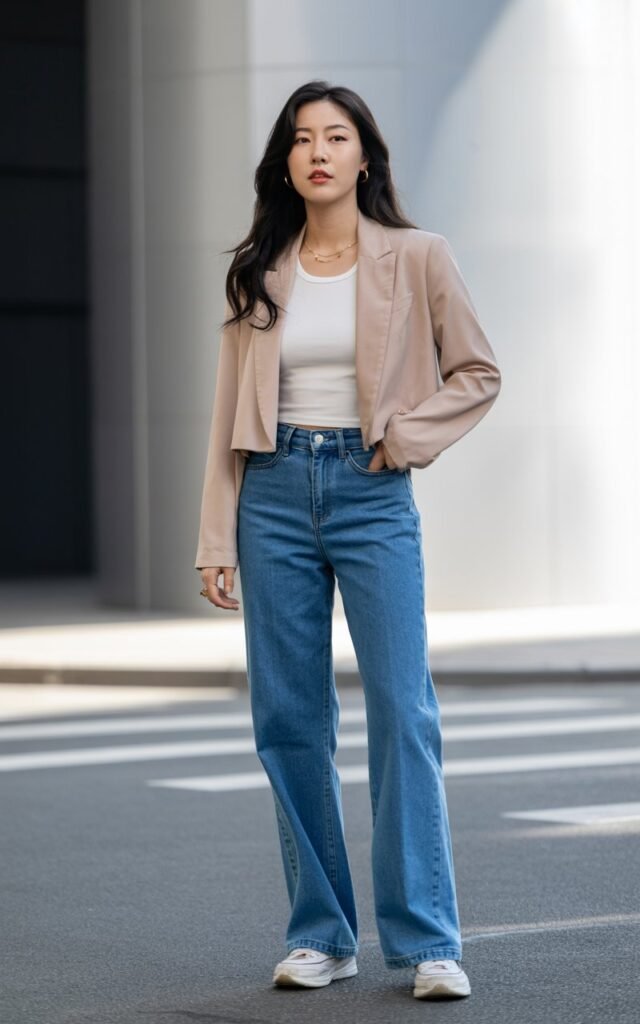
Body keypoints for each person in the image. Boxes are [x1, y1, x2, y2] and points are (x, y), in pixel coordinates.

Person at [195, 79, 501, 1000]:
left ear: (365, 156)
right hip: (273, 492)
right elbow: (224, 415)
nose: (318, 151)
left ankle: (428, 942)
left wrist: (402, 439)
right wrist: (216, 536)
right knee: (288, 722)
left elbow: (478, 371)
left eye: (336, 136)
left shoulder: (417, 257)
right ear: (286, 162)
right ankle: (322, 934)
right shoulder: (261, 267)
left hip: (371, 495)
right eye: (301, 138)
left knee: (403, 712)